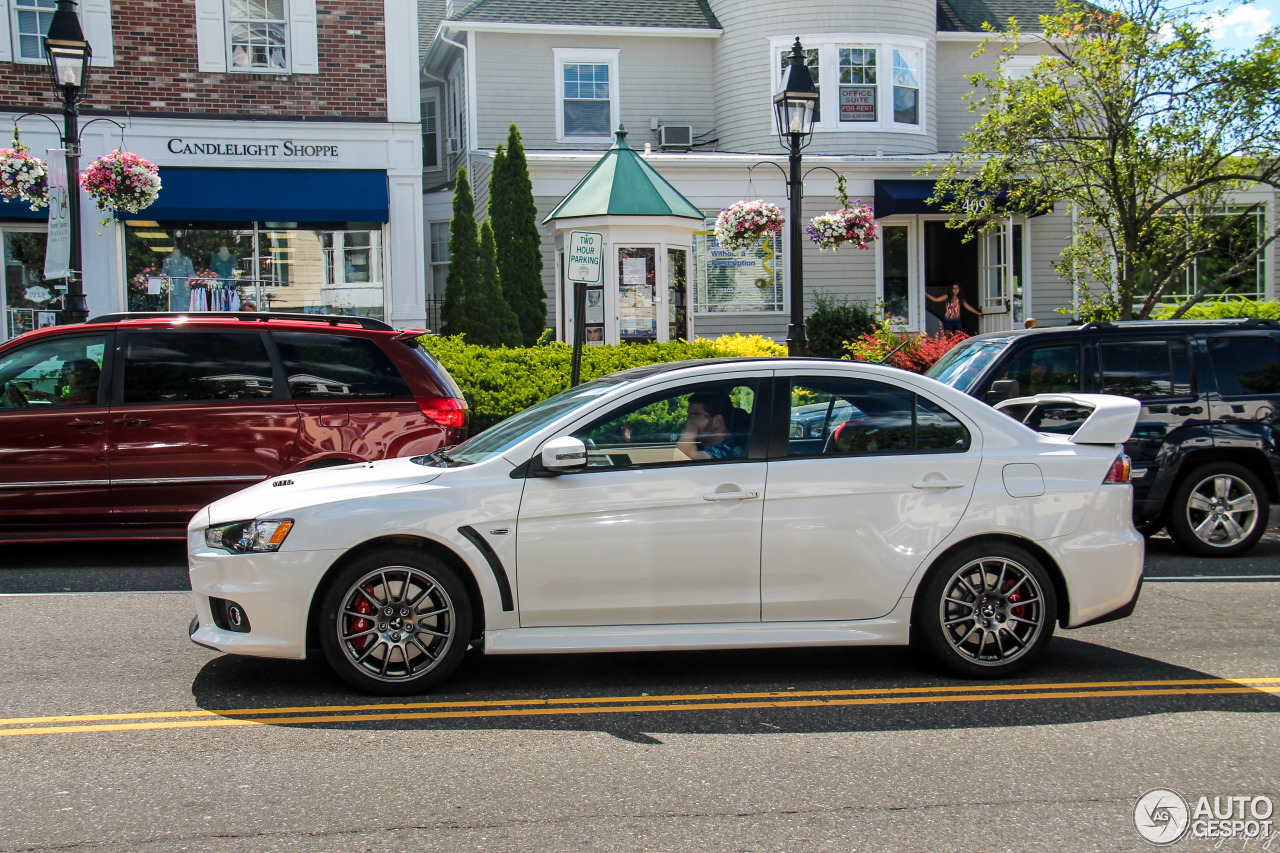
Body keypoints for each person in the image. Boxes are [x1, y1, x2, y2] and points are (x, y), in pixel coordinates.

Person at [677, 390, 746, 460]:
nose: (688, 421)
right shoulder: (702, 447)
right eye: (689, 416)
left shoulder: (728, 450)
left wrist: (691, 428)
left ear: (717, 421)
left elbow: (683, 457)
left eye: (695, 415)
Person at [26, 358, 100, 406]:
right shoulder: (89, 395)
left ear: (82, 375)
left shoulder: (81, 399)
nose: (66, 374)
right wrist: (46, 395)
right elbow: (64, 404)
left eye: (70, 371)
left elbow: (66, 406)